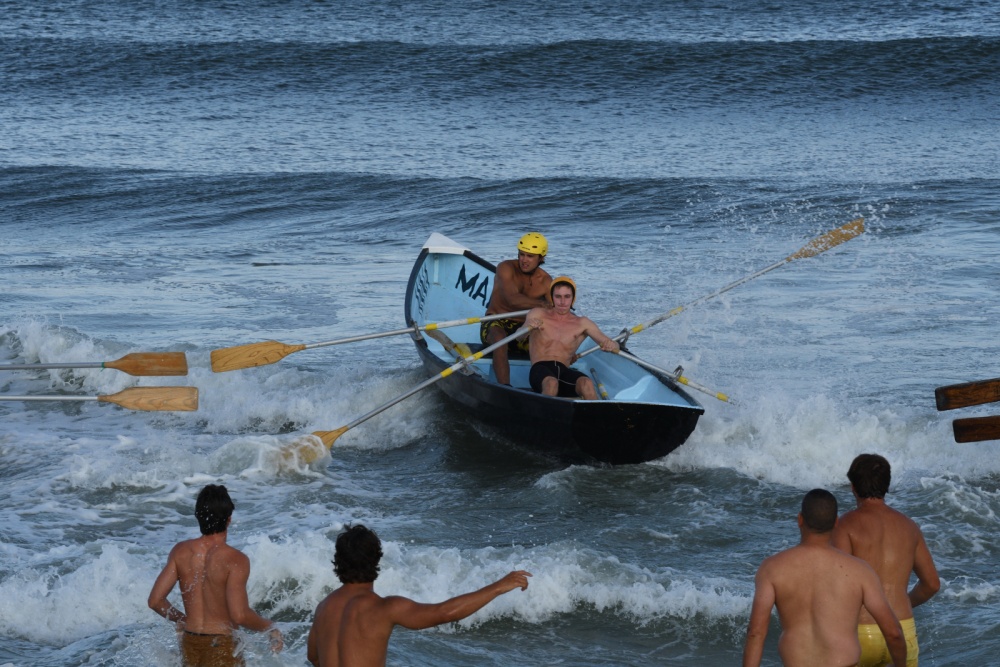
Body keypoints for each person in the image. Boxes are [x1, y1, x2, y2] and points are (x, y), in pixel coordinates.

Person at [306, 524, 531, 667]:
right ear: (376, 559)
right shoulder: (383, 608)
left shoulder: (324, 607)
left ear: (338, 561)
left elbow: (314, 657)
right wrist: (498, 587)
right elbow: (445, 613)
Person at [743, 489, 906, 667]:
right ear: (836, 522)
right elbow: (893, 633)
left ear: (800, 519)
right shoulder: (860, 571)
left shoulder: (772, 568)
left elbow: (755, 632)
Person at [148, 484, 283, 666]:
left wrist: (183, 619)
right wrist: (270, 627)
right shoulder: (235, 559)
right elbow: (240, 615)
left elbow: (155, 601)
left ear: (198, 516)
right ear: (229, 519)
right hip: (222, 645)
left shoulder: (180, 552)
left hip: (190, 642)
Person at [832, 454, 941, 667]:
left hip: (860, 632)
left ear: (853, 487)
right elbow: (932, 584)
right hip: (902, 630)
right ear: (887, 485)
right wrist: (903, 601)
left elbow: (838, 584)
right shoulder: (909, 527)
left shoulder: (845, 526)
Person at [524, 276, 619, 399]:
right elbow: (520, 336)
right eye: (558, 296)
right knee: (551, 383)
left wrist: (612, 345)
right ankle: (545, 411)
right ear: (552, 297)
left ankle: (595, 411)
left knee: (586, 383)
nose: (562, 302)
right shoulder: (538, 314)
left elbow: (612, 344)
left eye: (567, 296)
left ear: (573, 298)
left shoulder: (582, 323)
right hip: (540, 370)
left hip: (564, 372)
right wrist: (527, 327)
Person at [480, 231, 553, 385]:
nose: (524, 260)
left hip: (524, 328)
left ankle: (546, 386)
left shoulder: (546, 281)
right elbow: (512, 300)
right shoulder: (505, 268)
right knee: (499, 338)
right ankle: (505, 388)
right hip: (495, 322)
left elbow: (556, 312)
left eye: (530, 256)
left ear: (541, 258)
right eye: (521, 254)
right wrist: (542, 304)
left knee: (547, 343)